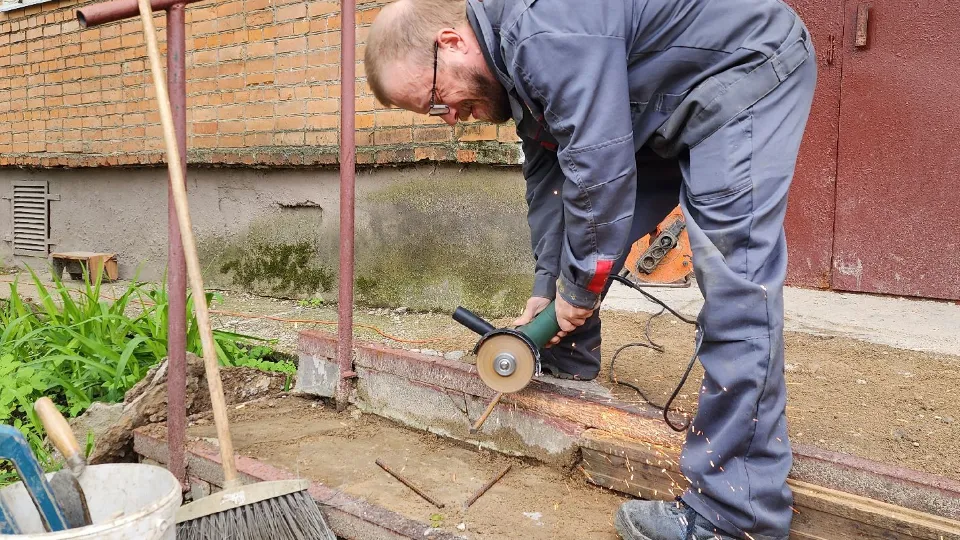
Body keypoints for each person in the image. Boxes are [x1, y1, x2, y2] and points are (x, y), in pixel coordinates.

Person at [364, 0, 817, 538]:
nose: (451, 118)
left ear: (450, 42)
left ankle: (737, 514)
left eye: (437, 101)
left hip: (741, 72)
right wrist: (546, 288)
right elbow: (552, 184)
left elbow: (599, 171)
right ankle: (567, 354)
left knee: (734, 282)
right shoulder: (516, 64)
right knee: (585, 242)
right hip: (658, 102)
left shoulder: (543, 32)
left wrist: (577, 289)